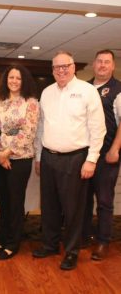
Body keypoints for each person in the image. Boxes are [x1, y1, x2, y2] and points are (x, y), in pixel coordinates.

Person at [32, 51, 106, 270]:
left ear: (74, 67)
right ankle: (50, 244)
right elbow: (41, 128)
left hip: (76, 159)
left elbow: (98, 128)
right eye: (57, 67)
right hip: (48, 157)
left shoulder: (87, 91)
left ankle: (72, 251)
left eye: (65, 66)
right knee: (50, 205)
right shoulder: (46, 92)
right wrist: (38, 156)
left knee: (73, 209)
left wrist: (91, 160)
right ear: (52, 70)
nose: (61, 70)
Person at [0, 65, 39, 260]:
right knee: (3, 202)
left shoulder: (31, 102)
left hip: (19, 159)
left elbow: (28, 132)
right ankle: (2, 239)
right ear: (6, 80)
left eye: (18, 78)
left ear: (24, 81)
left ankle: (13, 244)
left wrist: (7, 152)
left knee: (15, 202)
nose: (14, 81)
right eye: (11, 77)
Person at [82, 49, 121, 260]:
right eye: (99, 61)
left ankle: (103, 241)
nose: (103, 65)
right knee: (84, 199)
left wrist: (115, 149)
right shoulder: (84, 87)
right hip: (85, 155)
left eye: (107, 62)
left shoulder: (118, 89)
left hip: (106, 156)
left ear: (113, 66)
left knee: (104, 200)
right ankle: (84, 236)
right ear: (93, 64)